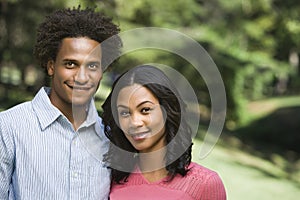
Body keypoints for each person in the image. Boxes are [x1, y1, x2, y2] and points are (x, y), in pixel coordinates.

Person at [0, 6, 121, 199]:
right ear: (51, 66)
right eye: (71, 64)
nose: (82, 77)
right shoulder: (8, 127)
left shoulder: (110, 137)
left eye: (92, 66)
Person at [101, 65, 227, 200]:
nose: (135, 122)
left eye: (145, 110)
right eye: (125, 113)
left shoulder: (205, 184)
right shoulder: (111, 179)